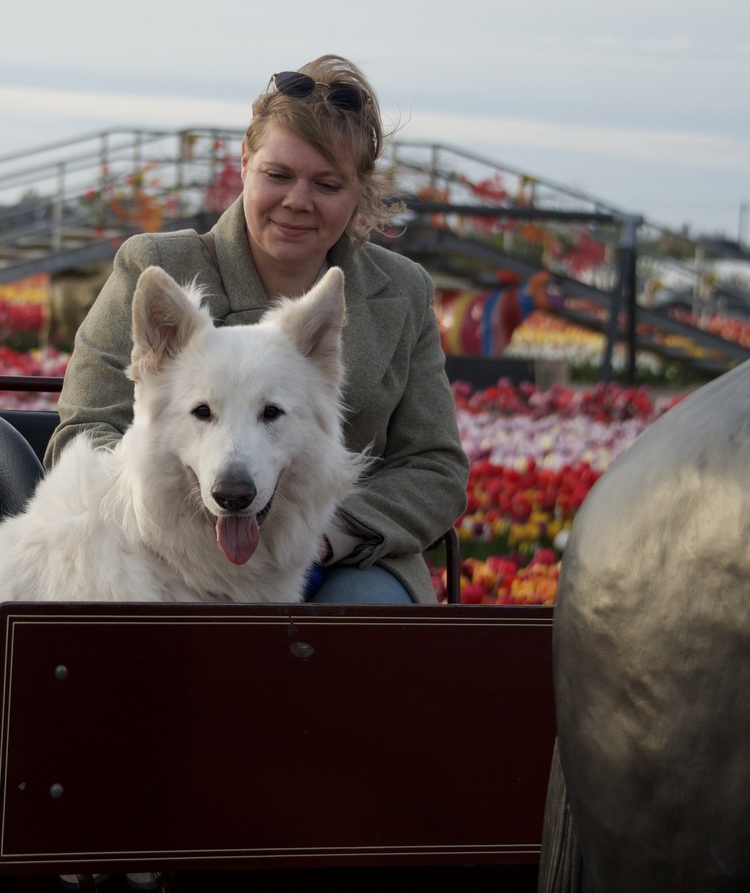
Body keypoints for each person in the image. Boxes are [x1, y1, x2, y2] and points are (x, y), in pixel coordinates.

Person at [44, 56, 469, 603]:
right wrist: (175, 534)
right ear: (245, 162)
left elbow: (433, 465)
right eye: (278, 175)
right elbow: (84, 430)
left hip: (344, 556)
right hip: (163, 557)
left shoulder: (403, 292)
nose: (298, 201)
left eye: (327, 183)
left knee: (361, 622)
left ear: (360, 190)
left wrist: (322, 536)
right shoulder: (154, 265)